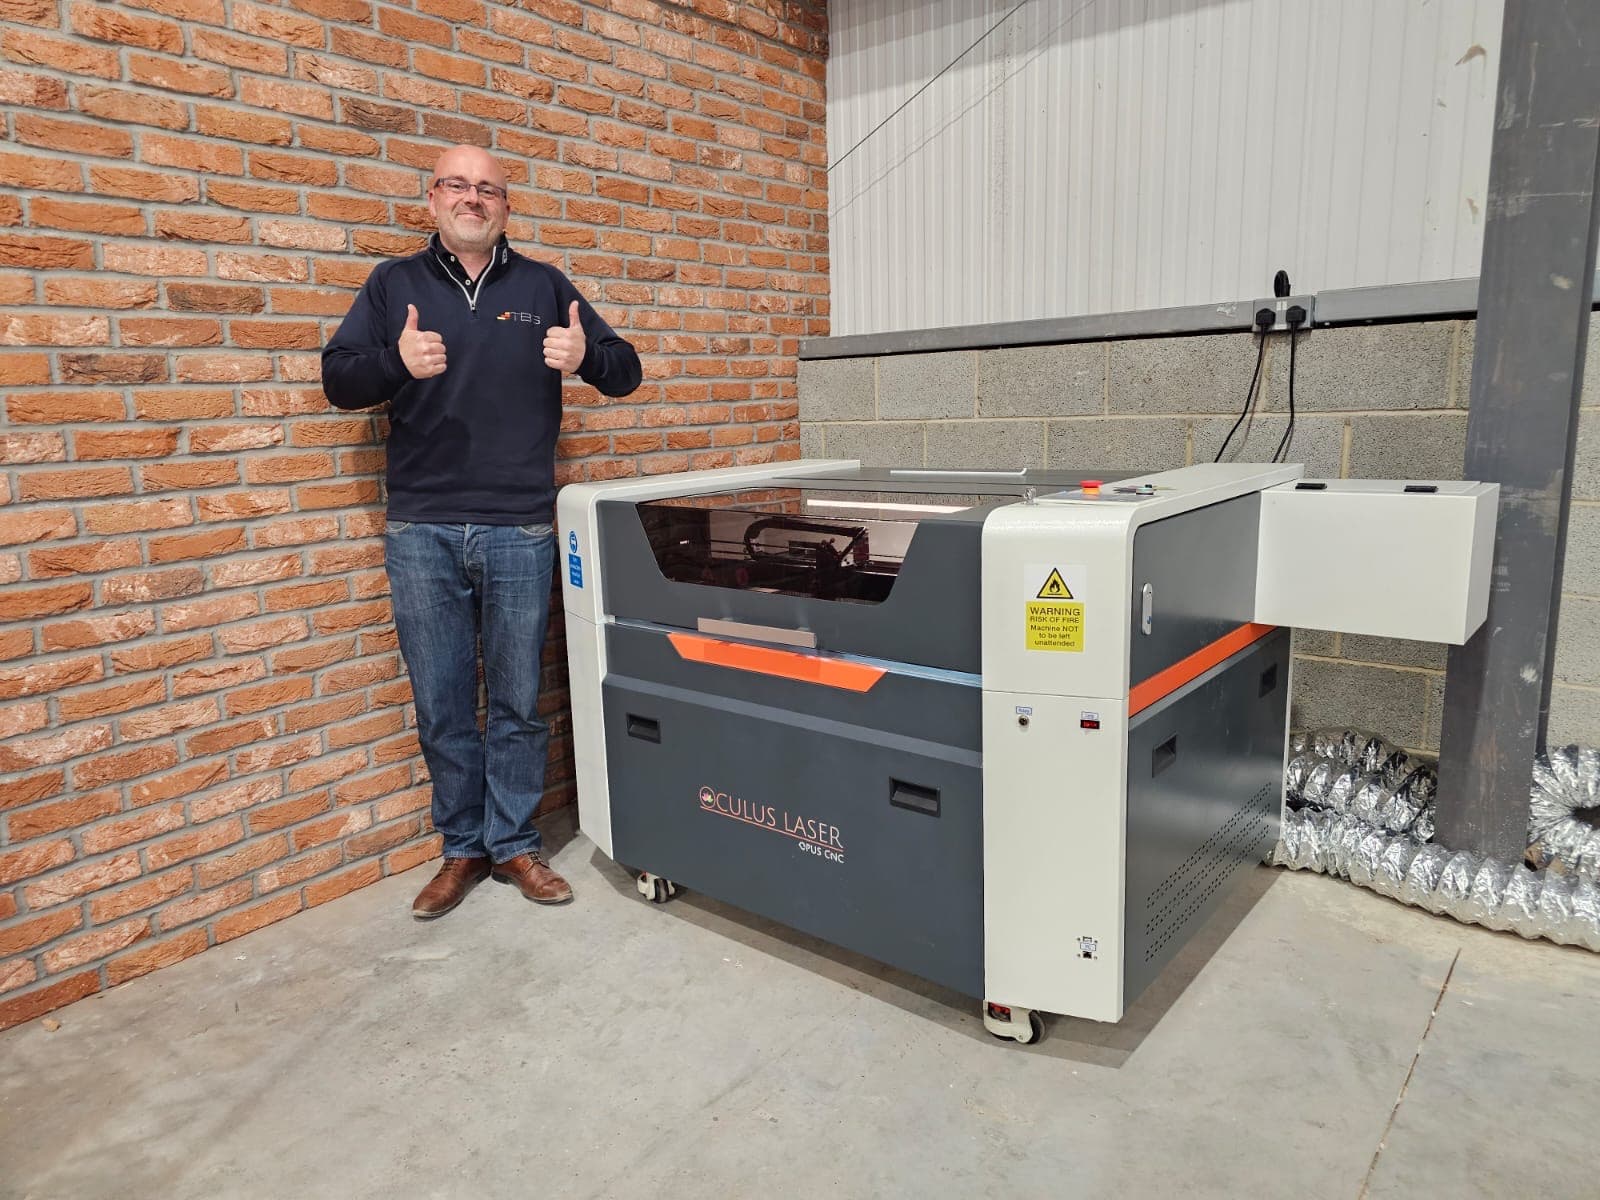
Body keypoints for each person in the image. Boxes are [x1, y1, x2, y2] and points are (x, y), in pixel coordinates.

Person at [321, 145, 642, 919]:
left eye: (489, 188)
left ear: (506, 206)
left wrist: (586, 357)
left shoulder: (543, 286)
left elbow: (626, 368)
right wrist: (394, 364)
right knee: (441, 701)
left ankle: (514, 844)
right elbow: (338, 380)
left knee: (519, 703)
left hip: (519, 528)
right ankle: (461, 848)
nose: (474, 197)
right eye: (458, 185)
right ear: (432, 200)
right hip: (421, 529)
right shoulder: (392, 284)